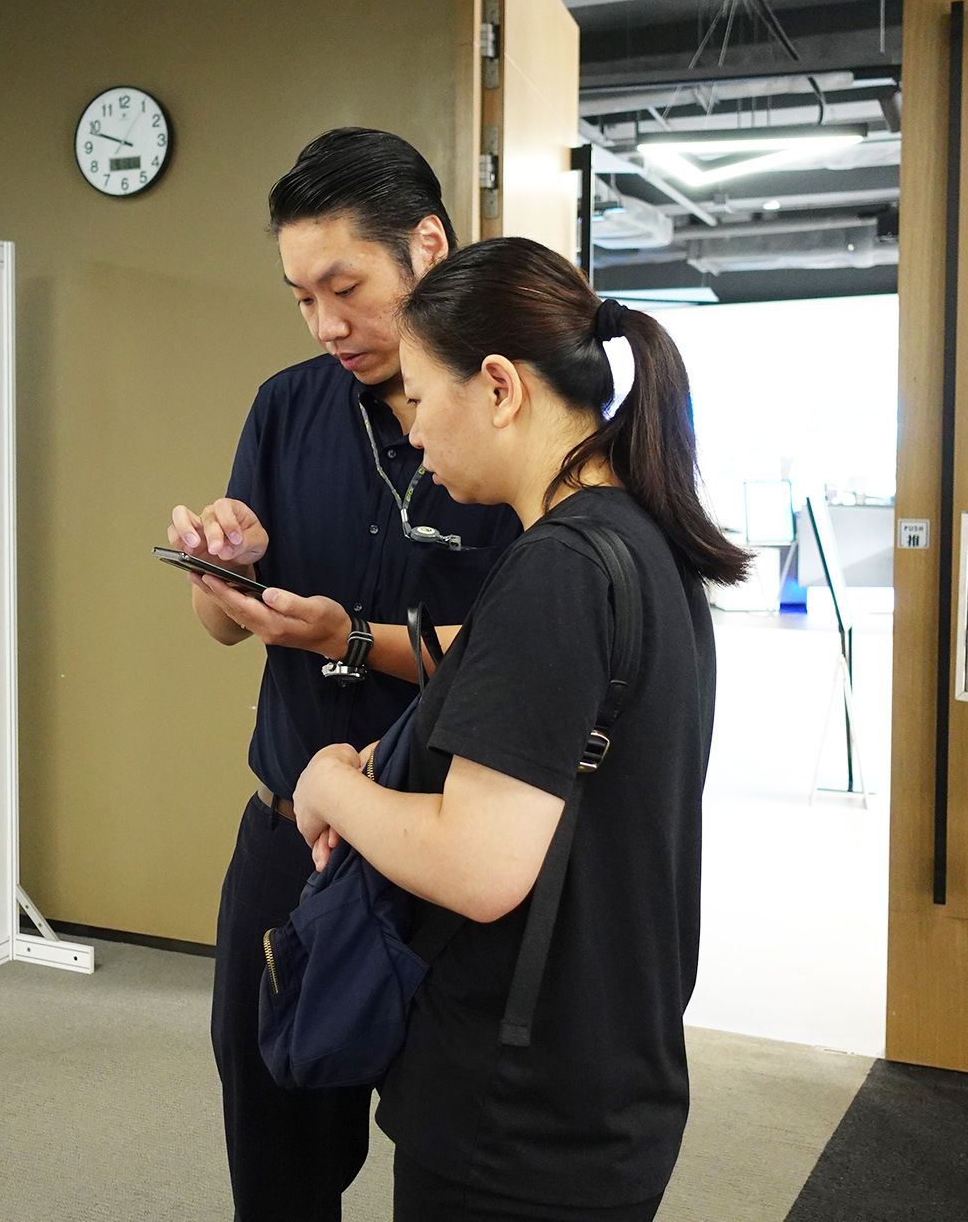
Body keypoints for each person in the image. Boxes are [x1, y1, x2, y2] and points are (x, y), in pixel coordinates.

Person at [290, 237, 750, 1221]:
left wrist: (328, 785)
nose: (414, 430)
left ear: (498, 387)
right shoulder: (640, 540)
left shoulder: (557, 569)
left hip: (518, 1109)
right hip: (601, 1069)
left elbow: (479, 866)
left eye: (421, 397)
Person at [163, 128, 521, 1220]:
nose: (326, 324)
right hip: (289, 838)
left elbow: (526, 648)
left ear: (427, 247)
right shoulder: (287, 405)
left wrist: (347, 637)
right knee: (274, 1157)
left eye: (345, 288)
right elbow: (222, 631)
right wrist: (224, 574)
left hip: (446, 852)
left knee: (455, 1172)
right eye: (301, 299)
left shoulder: (506, 416)